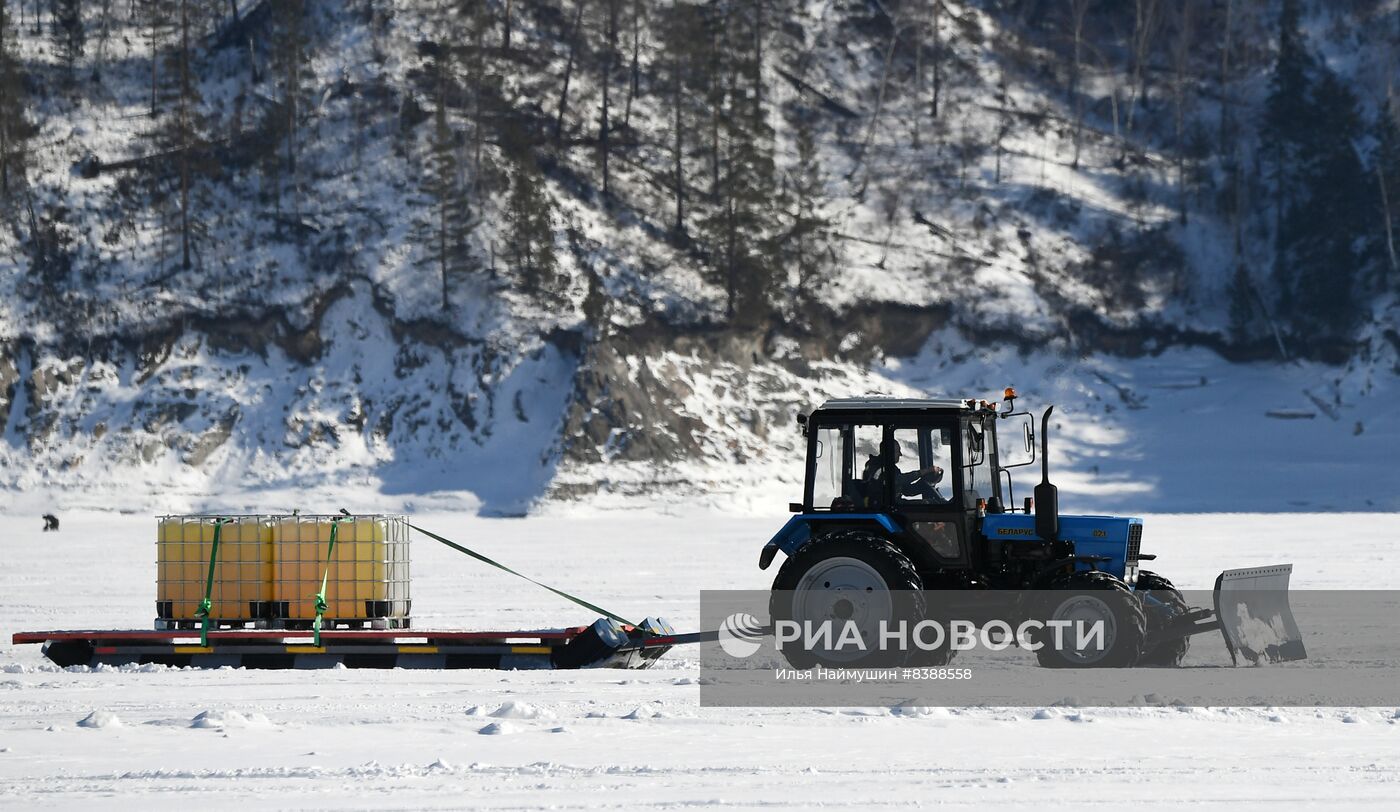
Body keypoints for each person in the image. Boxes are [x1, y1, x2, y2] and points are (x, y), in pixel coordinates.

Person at [863, 438, 947, 504]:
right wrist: (923, 472)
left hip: (893, 504)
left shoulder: (891, 468)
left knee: (930, 503)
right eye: (897, 451)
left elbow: (907, 490)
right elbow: (897, 480)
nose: (900, 454)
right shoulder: (875, 466)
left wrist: (927, 481)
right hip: (882, 506)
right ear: (888, 452)